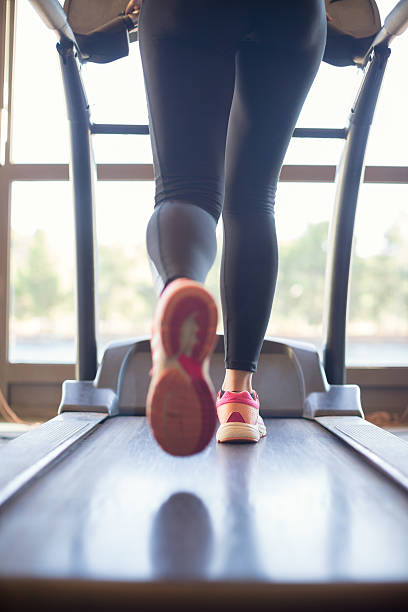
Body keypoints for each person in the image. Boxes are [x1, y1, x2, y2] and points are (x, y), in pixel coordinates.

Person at [125, 0, 327, 456]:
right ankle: (238, 399)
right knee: (253, 199)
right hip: (291, 15)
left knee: (186, 190)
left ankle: (179, 292)